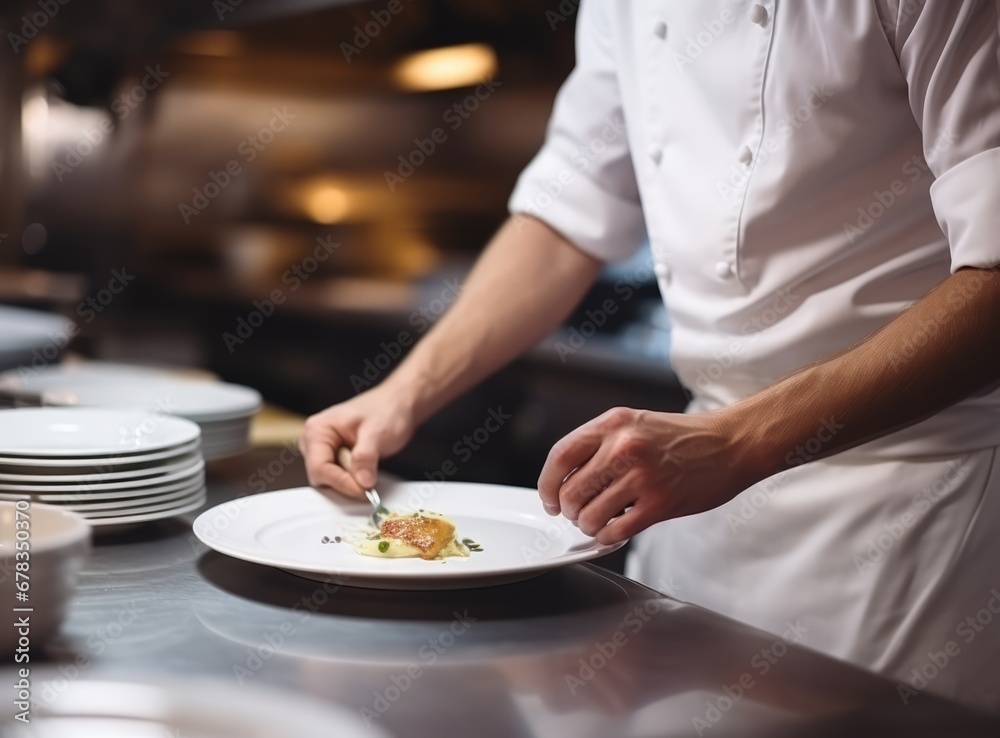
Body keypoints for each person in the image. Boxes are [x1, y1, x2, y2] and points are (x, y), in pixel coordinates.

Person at [301, 0, 1000, 710]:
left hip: (912, 502)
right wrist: (402, 393)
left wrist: (735, 443)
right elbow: (567, 217)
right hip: (700, 513)